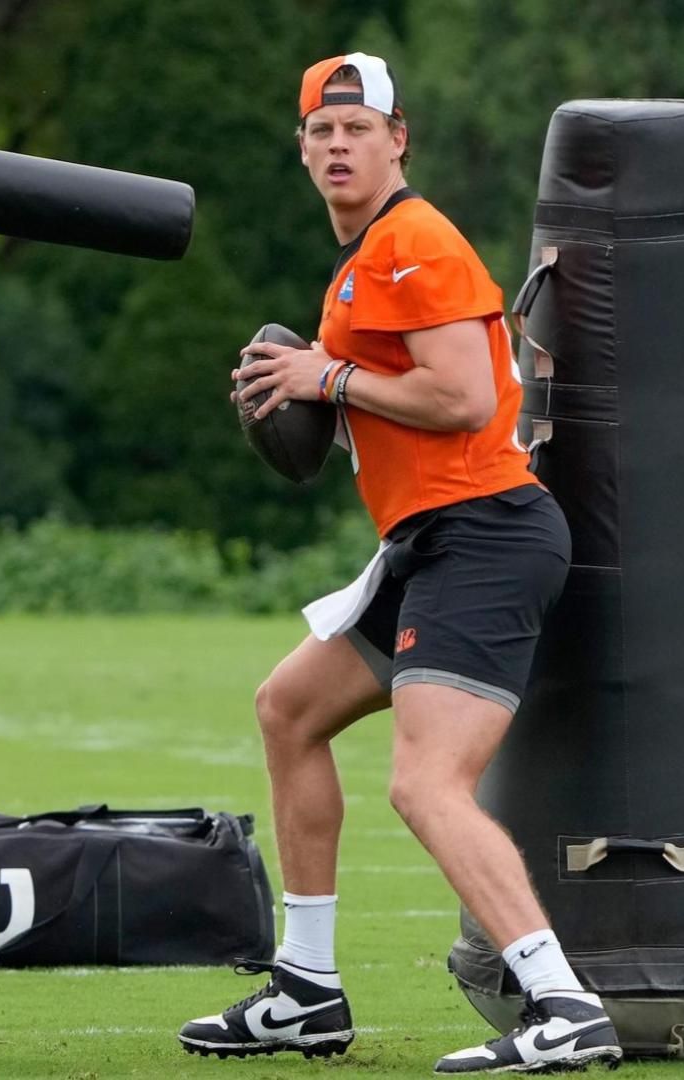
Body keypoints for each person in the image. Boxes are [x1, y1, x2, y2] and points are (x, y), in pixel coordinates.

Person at [175, 53, 617, 1074]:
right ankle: (308, 987)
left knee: (425, 784)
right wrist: (321, 397)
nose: (338, 146)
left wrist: (323, 375)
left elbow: (462, 399)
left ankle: (562, 1002)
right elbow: (387, 407)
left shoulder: (412, 240)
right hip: (429, 538)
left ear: (397, 139)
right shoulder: (360, 262)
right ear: (302, 147)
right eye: (320, 133)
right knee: (290, 709)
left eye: (357, 130)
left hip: (487, 532)